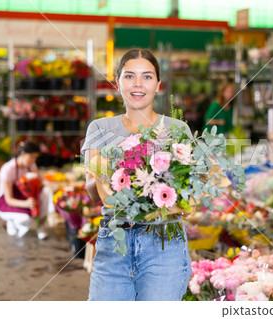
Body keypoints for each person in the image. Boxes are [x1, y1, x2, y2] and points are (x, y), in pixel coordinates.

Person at [82, 49, 193, 301]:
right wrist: (101, 178)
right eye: (130, 76)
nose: (138, 84)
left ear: (158, 84)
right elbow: (92, 193)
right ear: (117, 82)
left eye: (147, 77)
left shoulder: (177, 129)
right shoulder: (99, 128)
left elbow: (187, 189)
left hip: (164, 243)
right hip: (115, 242)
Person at [0, 141, 53, 240]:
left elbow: (38, 183)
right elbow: (8, 199)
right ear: (23, 153)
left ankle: (41, 226)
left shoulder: (31, 165)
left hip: (26, 196)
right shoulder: (8, 169)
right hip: (9, 201)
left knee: (46, 192)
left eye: (35, 158)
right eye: (32, 157)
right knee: (25, 218)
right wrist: (26, 204)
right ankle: (11, 221)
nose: (33, 160)